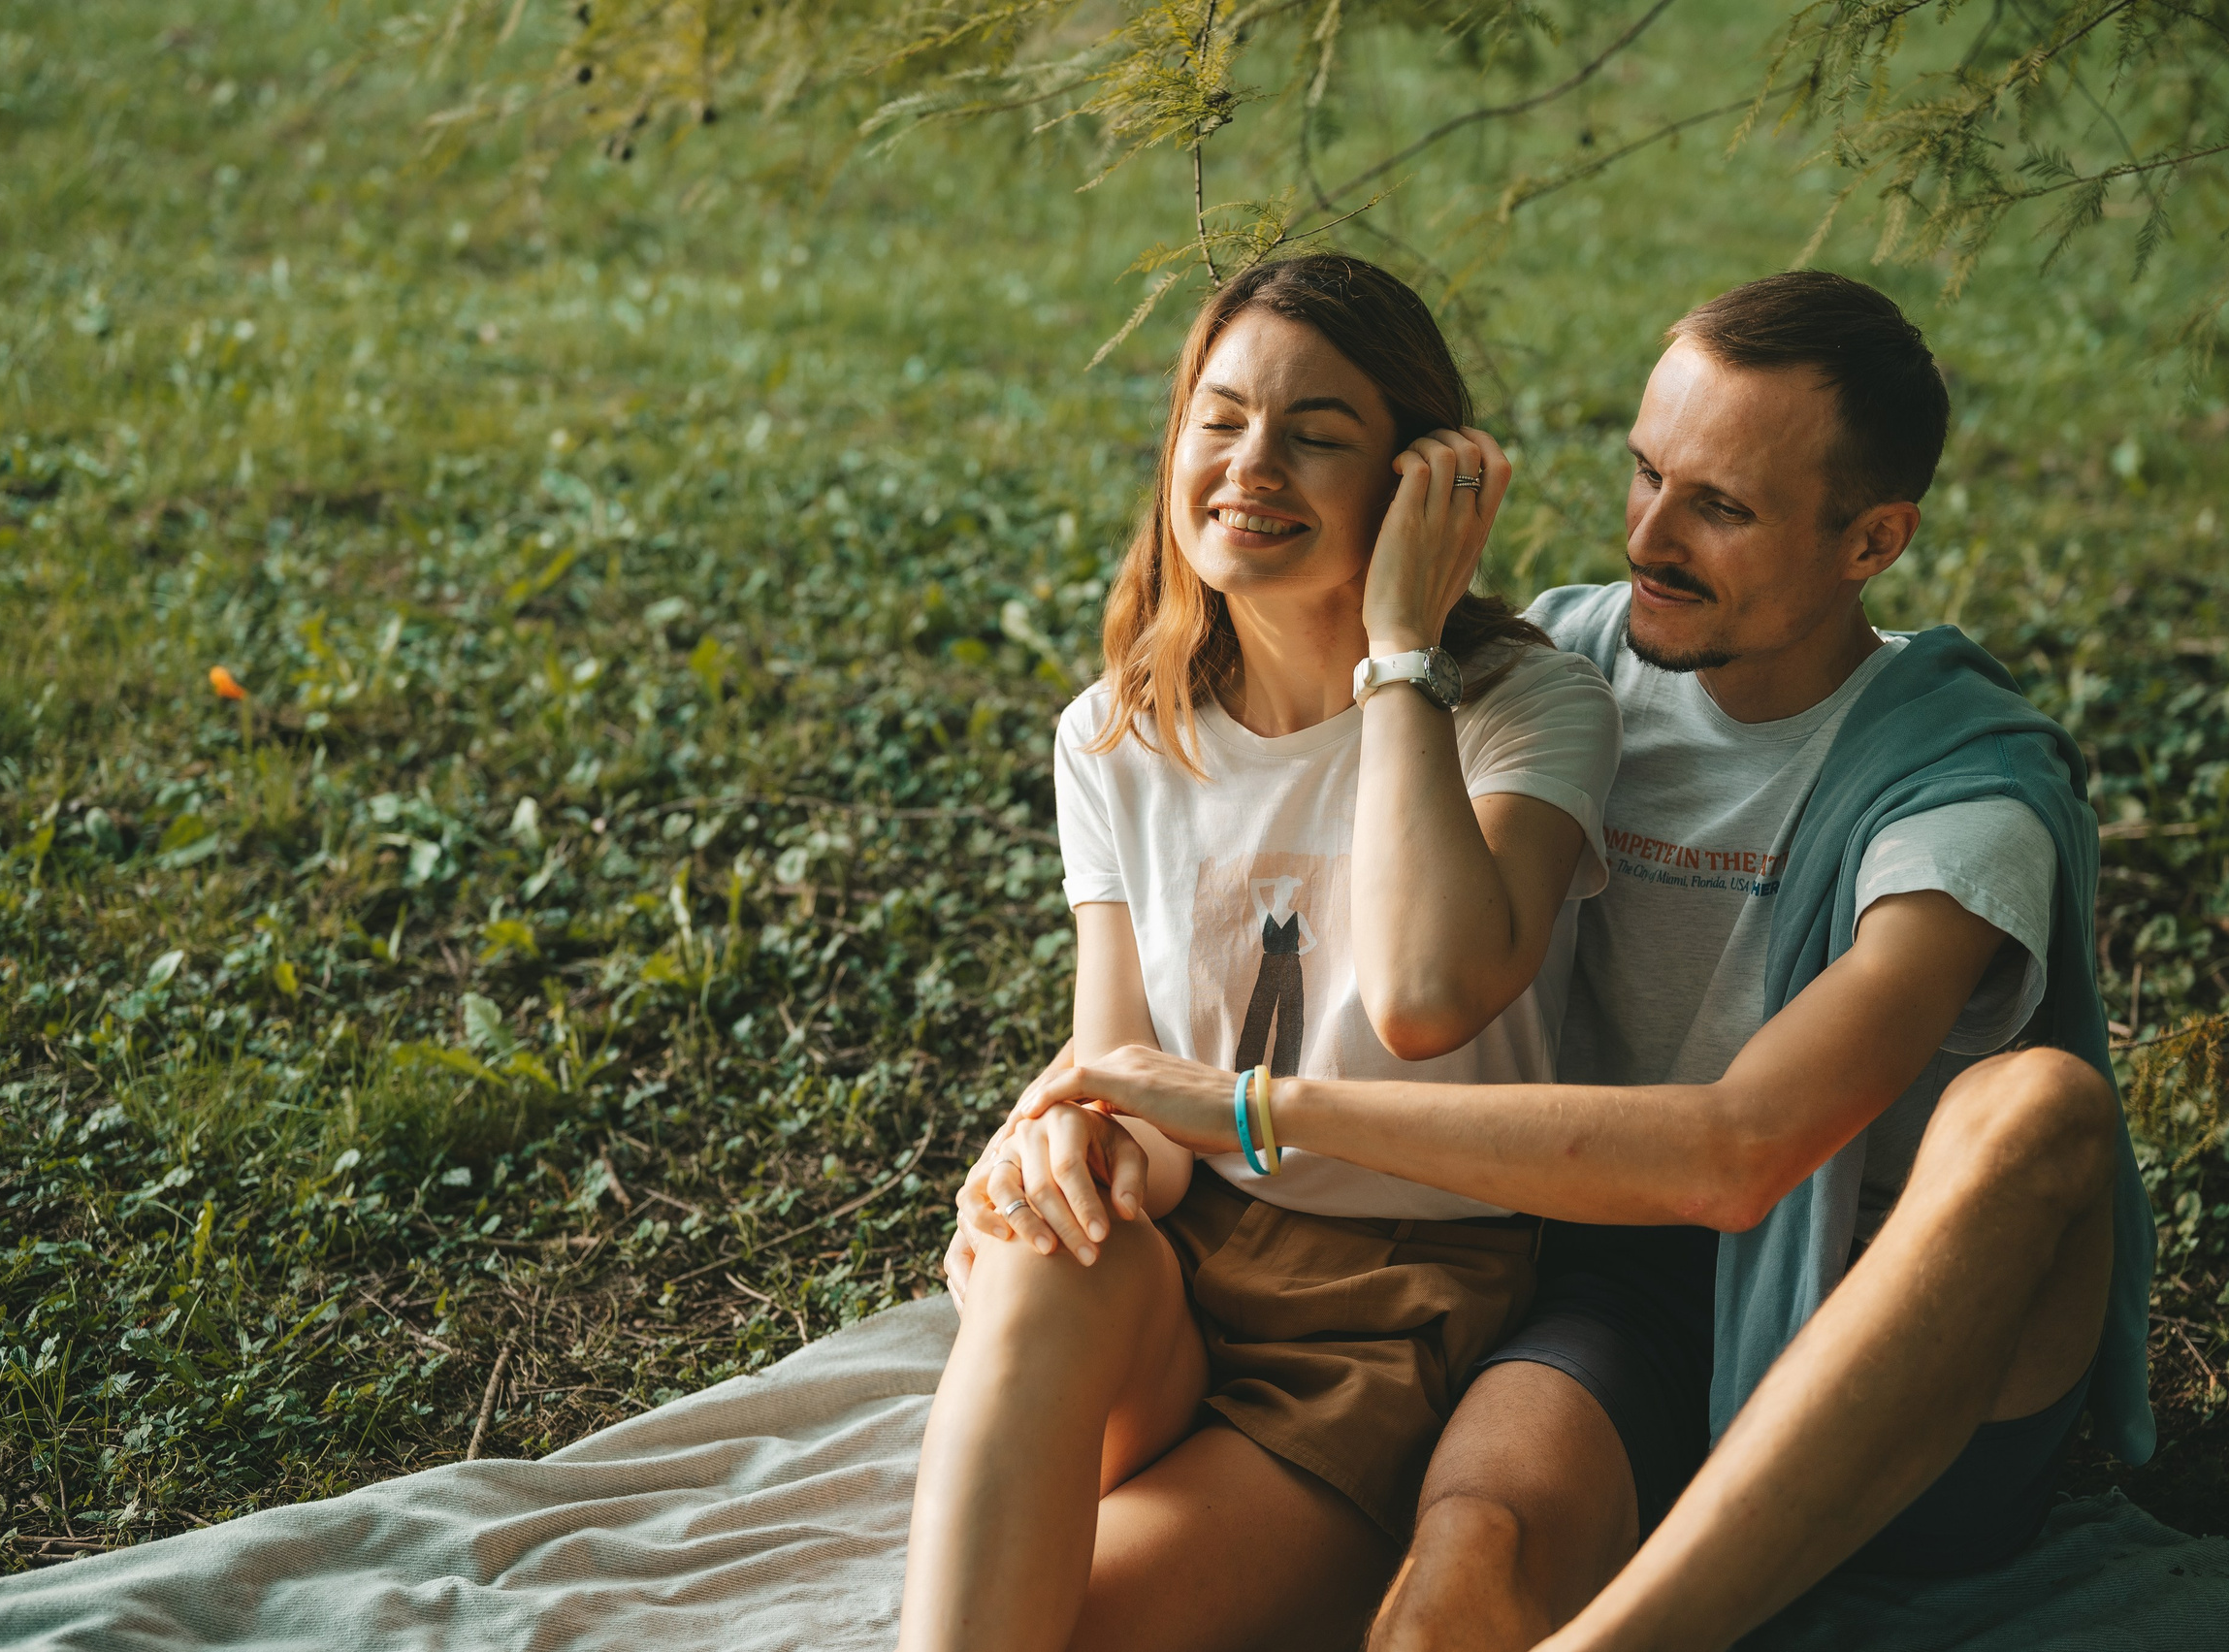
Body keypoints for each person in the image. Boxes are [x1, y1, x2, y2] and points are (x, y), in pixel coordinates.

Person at [1002, 271, 2156, 1652]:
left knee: (2039, 1109)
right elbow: (1311, 918)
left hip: (1896, 1324)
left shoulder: (1956, 798)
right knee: (1460, 1571)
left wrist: (1256, 1106)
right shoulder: (1565, 670)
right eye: (1646, 476)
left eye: (1720, 507)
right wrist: (1067, 1106)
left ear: (1873, 540)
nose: (1652, 538)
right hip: (1625, 1298)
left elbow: (1745, 1156)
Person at [897, 254, 1622, 1652]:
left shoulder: (1525, 710)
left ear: (1416, 484)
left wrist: (1401, 648)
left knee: (1067, 1627)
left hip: (1397, 1300)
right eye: (1219, 418)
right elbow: (1137, 1077)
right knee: (1048, 1258)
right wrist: (1072, 1148)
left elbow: (1427, 998)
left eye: (1319, 433)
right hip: (1181, 1257)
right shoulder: (1117, 732)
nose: (1251, 465)